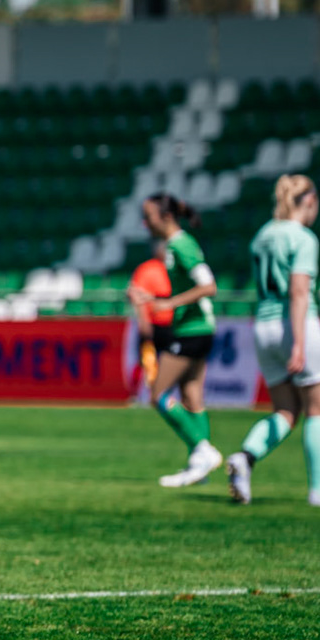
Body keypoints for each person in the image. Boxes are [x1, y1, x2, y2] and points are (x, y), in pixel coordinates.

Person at [227, 175, 320, 508]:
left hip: (263, 326)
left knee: (285, 410)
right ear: (309, 201)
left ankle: (245, 457)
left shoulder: (262, 236)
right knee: (318, 409)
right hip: (294, 325)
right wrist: (299, 343)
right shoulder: (303, 237)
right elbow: (299, 291)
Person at [127, 192, 224, 488]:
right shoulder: (173, 245)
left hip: (193, 329)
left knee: (157, 394)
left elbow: (209, 286)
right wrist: (156, 300)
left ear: (165, 217)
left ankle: (203, 452)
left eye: (149, 217)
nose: (145, 223)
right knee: (192, 395)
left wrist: (169, 305)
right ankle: (200, 467)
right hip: (195, 327)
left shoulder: (182, 245)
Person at [128, 238, 172, 403]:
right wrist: (144, 319)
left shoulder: (171, 270)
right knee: (145, 360)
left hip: (169, 324)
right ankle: (136, 395)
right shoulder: (147, 269)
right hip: (152, 324)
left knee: (168, 362)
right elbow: (135, 294)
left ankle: (162, 395)